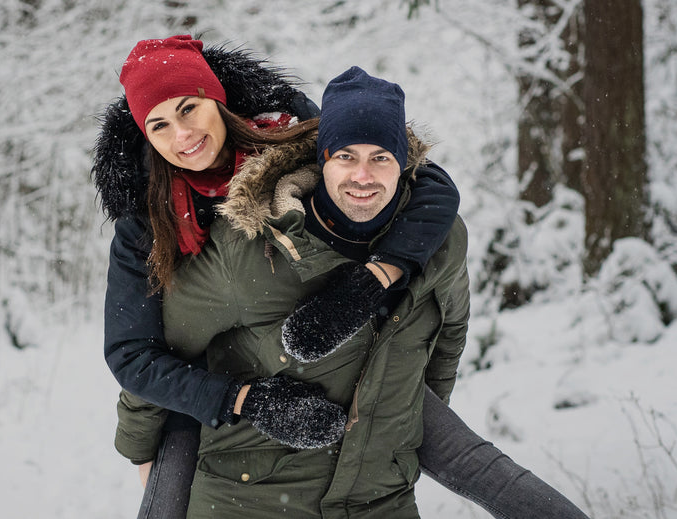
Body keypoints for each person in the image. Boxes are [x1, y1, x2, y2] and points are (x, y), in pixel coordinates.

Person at [92, 36, 585, 518]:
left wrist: (377, 278)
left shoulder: (292, 136)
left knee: (483, 470)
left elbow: (417, 178)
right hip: (212, 381)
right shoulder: (147, 218)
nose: (181, 135)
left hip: (361, 348)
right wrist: (156, 439)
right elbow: (141, 350)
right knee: (173, 461)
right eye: (158, 125)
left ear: (216, 99)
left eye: (188, 109)